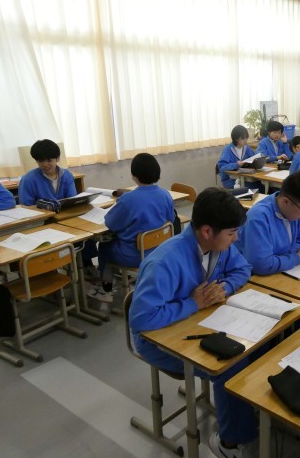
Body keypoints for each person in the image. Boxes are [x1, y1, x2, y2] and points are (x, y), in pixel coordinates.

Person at [129, 188, 257, 458]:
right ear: (207, 231)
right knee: (229, 365)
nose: (236, 239)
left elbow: (243, 268)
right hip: (156, 338)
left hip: (200, 322)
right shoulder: (165, 262)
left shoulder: (219, 246)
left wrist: (224, 287)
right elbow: (141, 319)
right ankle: (228, 443)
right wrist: (193, 304)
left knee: (257, 347)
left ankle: (243, 414)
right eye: (232, 233)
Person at [87, 153, 175, 303]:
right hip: (160, 250)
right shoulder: (165, 194)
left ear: (134, 175)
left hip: (133, 256)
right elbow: (170, 221)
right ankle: (123, 277)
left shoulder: (128, 200)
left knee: (104, 246)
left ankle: (105, 289)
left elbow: (110, 223)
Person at [236, 171, 300, 276]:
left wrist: (277, 258)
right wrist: (298, 257)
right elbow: (261, 265)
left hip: (282, 271)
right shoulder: (258, 218)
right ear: (285, 201)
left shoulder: (298, 210)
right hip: (254, 278)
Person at [18, 139, 77, 206]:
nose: (45, 165)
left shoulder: (67, 175)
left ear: (57, 158)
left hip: (65, 212)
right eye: (41, 161)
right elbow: (26, 206)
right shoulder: (28, 180)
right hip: (39, 213)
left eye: (49, 160)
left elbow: (72, 200)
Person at [217, 125, 256, 189]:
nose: (245, 140)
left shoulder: (246, 147)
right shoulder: (228, 149)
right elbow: (221, 168)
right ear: (236, 139)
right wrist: (236, 164)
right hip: (231, 180)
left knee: (260, 185)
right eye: (242, 138)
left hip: (245, 177)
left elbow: (254, 158)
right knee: (257, 187)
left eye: (246, 138)